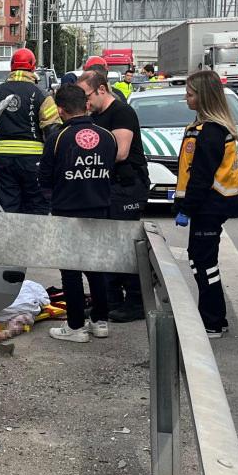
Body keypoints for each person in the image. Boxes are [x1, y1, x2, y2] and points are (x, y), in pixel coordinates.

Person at [40, 84, 117, 342]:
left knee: (71, 270)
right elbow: (110, 173)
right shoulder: (107, 136)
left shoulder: (58, 138)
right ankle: (100, 320)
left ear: (60, 110)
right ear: (86, 105)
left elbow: (45, 179)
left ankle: (75, 326)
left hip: (67, 211)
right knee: (97, 266)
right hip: (100, 209)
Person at [174, 70, 238, 338]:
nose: (186, 98)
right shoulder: (206, 128)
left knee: (204, 264)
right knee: (202, 262)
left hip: (209, 206)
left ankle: (212, 321)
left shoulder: (211, 131)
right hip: (210, 205)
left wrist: (186, 208)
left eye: (190, 94)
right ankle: (215, 318)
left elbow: (201, 176)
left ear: (204, 97)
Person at [80, 69, 149, 322]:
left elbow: (120, 152)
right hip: (106, 187)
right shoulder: (95, 115)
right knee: (105, 246)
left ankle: (135, 302)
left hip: (126, 186)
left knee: (124, 246)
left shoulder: (121, 112)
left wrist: (87, 158)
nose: (85, 103)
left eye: (86, 96)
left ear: (101, 89)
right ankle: (110, 301)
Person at [0, 48, 60, 214]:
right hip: (34, 160)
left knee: (7, 206)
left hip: (3, 159)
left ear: (11, 68)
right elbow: (52, 130)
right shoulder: (41, 95)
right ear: (33, 68)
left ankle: (9, 239)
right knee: (37, 205)